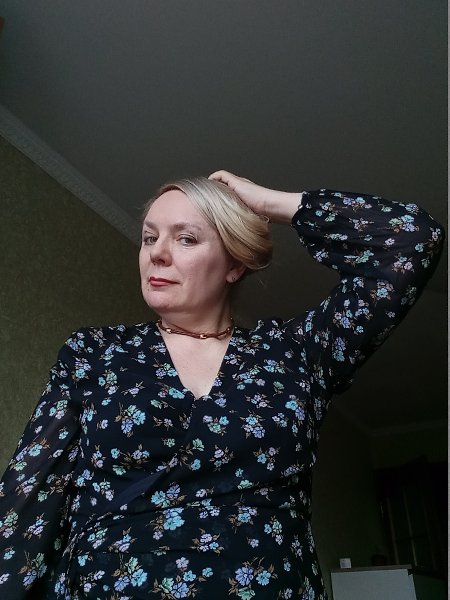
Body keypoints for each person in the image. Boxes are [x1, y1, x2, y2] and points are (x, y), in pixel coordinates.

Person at [0, 171, 444, 599]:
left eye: (186, 238)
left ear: (234, 263)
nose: (157, 253)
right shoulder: (95, 352)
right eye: (150, 237)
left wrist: (269, 203)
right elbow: (31, 495)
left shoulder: (295, 354)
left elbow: (412, 241)